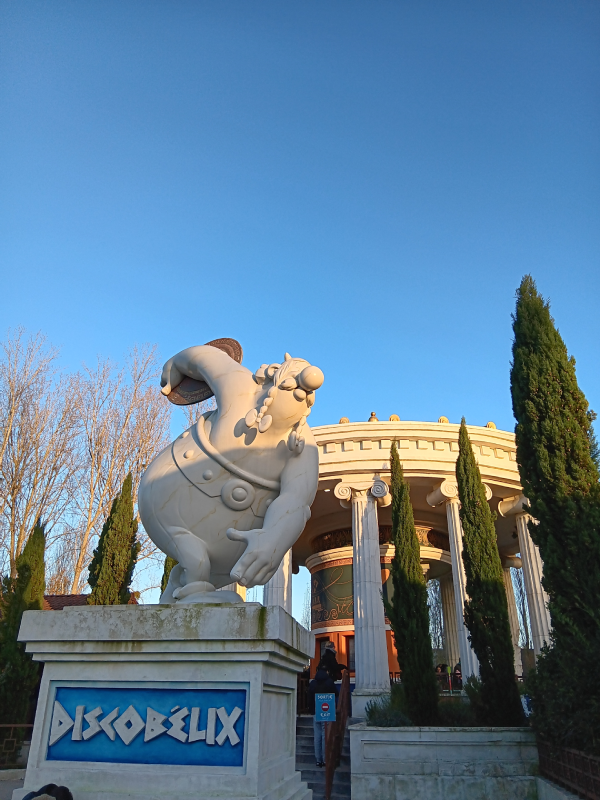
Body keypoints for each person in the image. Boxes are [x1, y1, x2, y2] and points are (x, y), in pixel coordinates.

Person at [308, 667, 336, 767]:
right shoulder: (329, 682)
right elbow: (335, 694)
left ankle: (318, 760)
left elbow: (310, 698)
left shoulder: (313, 683)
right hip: (326, 713)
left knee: (317, 736)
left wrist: (311, 710)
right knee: (325, 736)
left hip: (315, 712)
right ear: (327, 671)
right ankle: (325, 759)